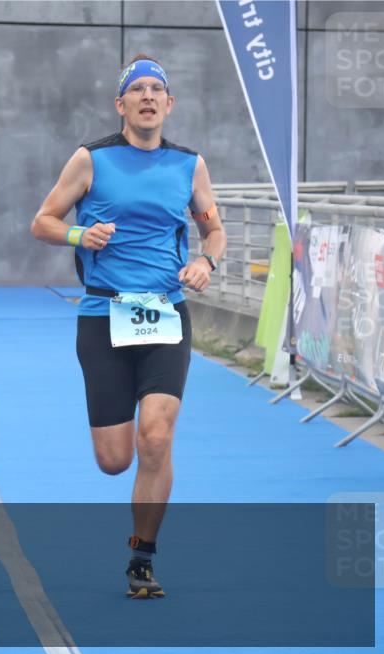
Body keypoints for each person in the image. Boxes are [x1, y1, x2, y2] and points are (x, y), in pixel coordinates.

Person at [30, 55, 227, 599]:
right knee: (115, 460)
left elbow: (214, 231)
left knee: (157, 437)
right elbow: (43, 221)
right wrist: (78, 237)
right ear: (121, 105)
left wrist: (205, 263)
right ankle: (134, 516)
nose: (147, 97)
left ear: (169, 104)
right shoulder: (91, 159)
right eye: (136, 90)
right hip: (103, 316)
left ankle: (142, 557)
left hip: (165, 313)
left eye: (156, 90)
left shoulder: (190, 166)